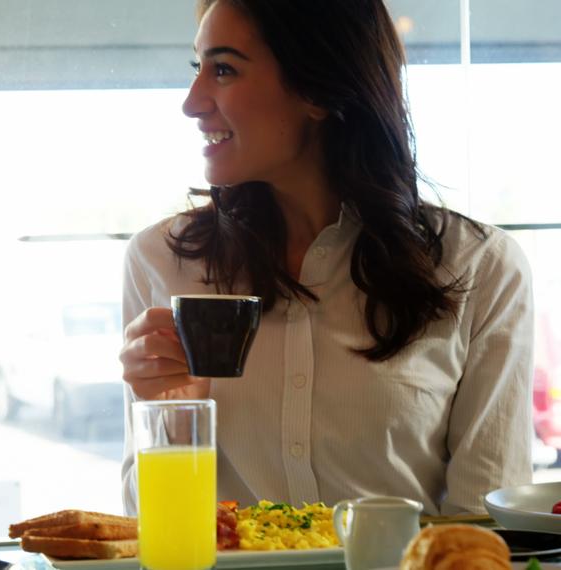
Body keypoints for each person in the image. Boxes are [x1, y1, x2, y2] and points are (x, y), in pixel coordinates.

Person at [119, 0, 533, 517]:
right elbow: (152, 526)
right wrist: (171, 414)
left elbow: (484, 530)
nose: (192, 101)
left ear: (317, 88)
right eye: (196, 67)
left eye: (223, 69)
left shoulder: (479, 267)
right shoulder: (160, 260)